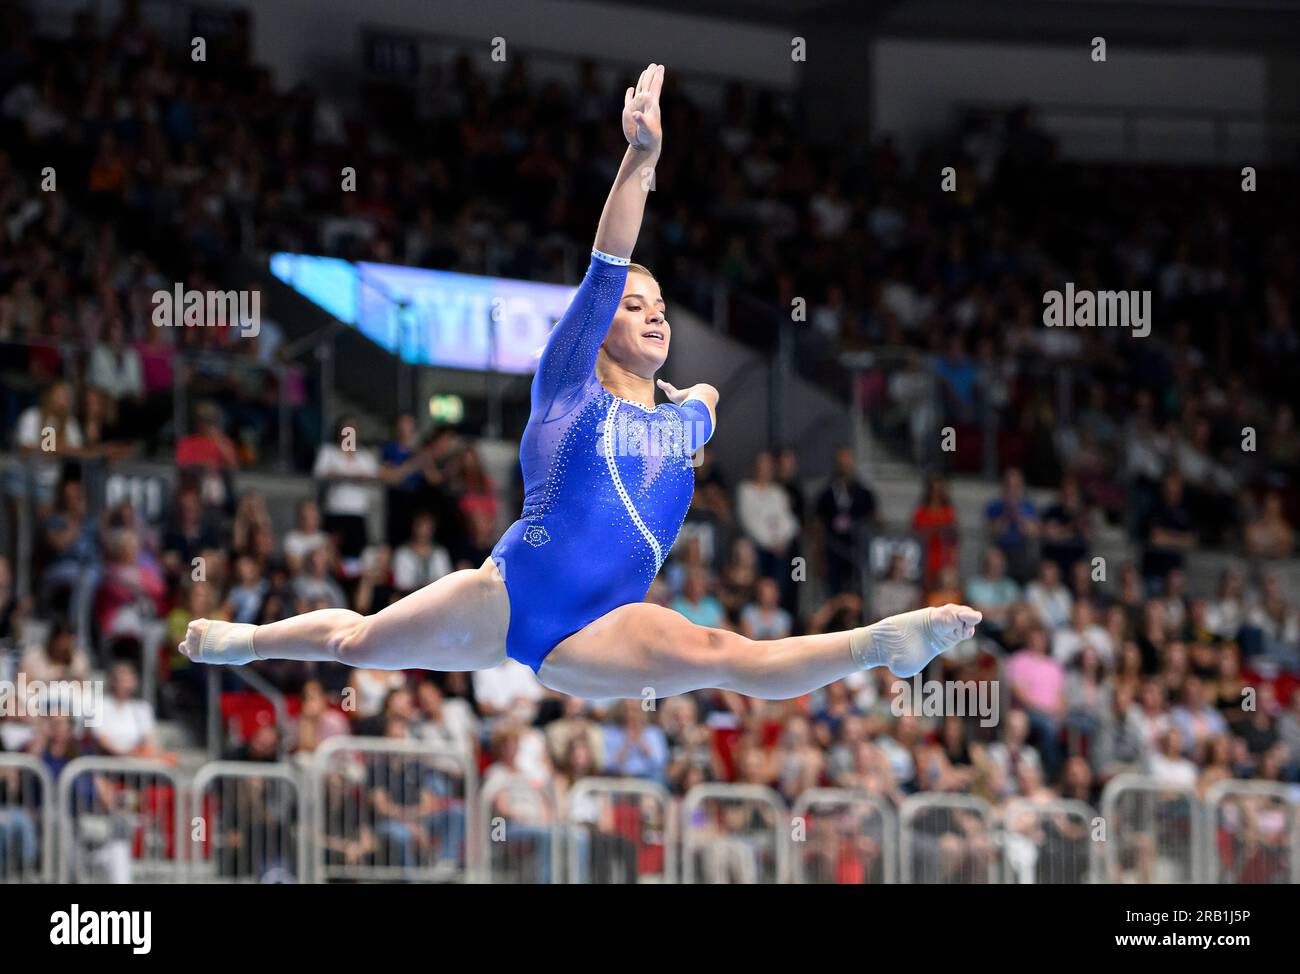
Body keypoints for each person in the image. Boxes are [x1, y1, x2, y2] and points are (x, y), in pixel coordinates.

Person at [182, 63, 981, 700]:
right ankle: (243, 640)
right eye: (637, 308)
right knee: (358, 643)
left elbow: (699, 407)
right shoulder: (568, 387)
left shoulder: (685, 420)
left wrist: (696, 404)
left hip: (596, 634)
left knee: (720, 652)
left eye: (661, 305)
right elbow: (604, 268)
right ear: (601, 328)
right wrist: (640, 161)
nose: (654, 315)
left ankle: (883, 645)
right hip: (506, 597)